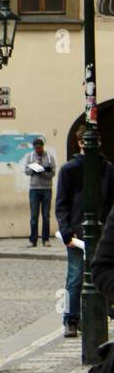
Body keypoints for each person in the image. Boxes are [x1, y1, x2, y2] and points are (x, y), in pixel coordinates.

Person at [54, 138, 114, 337]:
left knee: (103, 273)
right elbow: (62, 203)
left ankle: (102, 314)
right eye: (89, 141)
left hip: (103, 231)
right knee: (75, 277)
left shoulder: (107, 169)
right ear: (81, 142)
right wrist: (65, 230)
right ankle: (71, 319)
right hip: (76, 233)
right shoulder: (69, 169)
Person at [25, 137, 56, 247]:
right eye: (36, 148)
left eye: (40, 147)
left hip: (46, 188)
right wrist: (34, 170)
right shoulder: (30, 157)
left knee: (46, 215)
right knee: (34, 216)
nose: (38, 150)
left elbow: (52, 173)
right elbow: (26, 171)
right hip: (34, 188)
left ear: (43, 147)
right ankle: (33, 240)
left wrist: (42, 171)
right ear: (34, 148)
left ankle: (45, 239)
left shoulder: (49, 157)